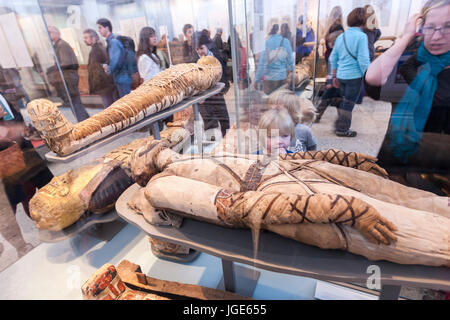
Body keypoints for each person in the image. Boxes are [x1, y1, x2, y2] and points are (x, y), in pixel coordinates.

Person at [365, 0, 450, 195]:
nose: (437, 36)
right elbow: (372, 79)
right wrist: (406, 37)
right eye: (430, 27)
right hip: (408, 168)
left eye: (447, 27)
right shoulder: (420, 59)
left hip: (439, 174)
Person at [330, 8, 370, 137]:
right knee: (348, 103)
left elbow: (333, 57)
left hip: (341, 75)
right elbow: (363, 60)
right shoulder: (362, 36)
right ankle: (342, 130)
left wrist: (334, 75)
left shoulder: (341, 36)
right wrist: (368, 75)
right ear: (364, 21)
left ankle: (340, 124)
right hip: (354, 76)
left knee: (343, 101)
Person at [46, 26, 89, 122]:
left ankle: (84, 122)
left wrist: (53, 70)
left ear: (57, 33)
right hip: (67, 78)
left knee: (75, 103)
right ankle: (86, 121)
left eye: (50, 32)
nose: (48, 35)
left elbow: (66, 64)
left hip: (68, 78)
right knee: (75, 103)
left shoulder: (61, 45)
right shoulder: (58, 45)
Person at [195, 34, 230, 138]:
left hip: (217, 95)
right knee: (210, 125)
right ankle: (212, 146)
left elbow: (224, 72)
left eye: (201, 48)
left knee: (225, 121)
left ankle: (226, 142)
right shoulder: (194, 61)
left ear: (207, 46)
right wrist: (198, 96)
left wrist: (224, 87)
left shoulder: (217, 56)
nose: (199, 52)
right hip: (204, 99)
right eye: (197, 49)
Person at [97, 18, 135, 98]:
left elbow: (115, 61)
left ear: (107, 28)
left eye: (100, 27)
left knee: (127, 102)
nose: (99, 30)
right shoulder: (113, 40)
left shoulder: (113, 42)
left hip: (122, 77)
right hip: (123, 76)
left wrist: (108, 69)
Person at [255, 23, 295, 95]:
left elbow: (262, 63)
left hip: (269, 81)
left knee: (270, 103)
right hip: (282, 79)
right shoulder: (286, 42)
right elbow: (290, 62)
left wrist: (257, 79)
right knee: (281, 102)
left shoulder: (267, 42)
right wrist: (291, 72)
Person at [83, 29, 116, 108]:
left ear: (94, 38)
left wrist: (97, 85)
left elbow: (96, 70)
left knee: (109, 107)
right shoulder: (99, 48)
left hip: (104, 85)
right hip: (106, 84)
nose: (84, 40)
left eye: (86, 38)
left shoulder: (96, 50)